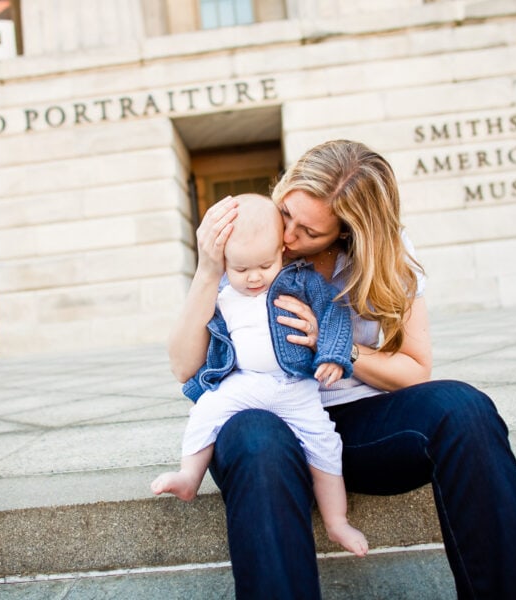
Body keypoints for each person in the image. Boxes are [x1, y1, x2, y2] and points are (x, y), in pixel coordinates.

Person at [169, 140, 516, 599]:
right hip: (264, 425)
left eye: (310, 231)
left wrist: (337, 347)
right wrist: (207, 270)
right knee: (256, 437)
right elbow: (183, 367)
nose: (290, 236)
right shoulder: (251, 237)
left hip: (355, 430)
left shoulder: (386, 253)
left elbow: (416, 369)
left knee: (464, 408)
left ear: (347, 233)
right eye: (287, 214)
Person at [151, 193, 368, 557]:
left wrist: (332, 354)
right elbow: (190, 356)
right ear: (224, 264)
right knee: (206, 411)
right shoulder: (219, 294)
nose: (253, 277)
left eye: (265, 265)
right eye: (240, 270)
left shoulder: (301, 282)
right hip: (244, 384)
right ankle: (189, 476)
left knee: (325, 444)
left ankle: (337, 521)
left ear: (281, 252)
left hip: (295, 386)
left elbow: (334, 315)